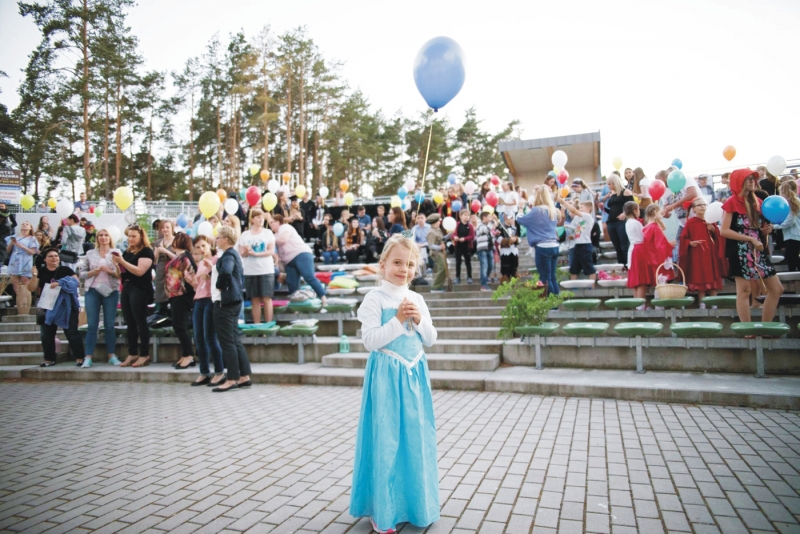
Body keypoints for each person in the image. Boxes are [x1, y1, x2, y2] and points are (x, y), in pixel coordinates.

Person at [350, 234, 439, 534]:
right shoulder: (375, 299)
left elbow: (430, 338)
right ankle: (383, 510)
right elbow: (370, 341)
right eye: (398, 262)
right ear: (383, 264)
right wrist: (398, 319)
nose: (404, 269)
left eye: (410, 264)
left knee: (416, 439)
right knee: (387, 440)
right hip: (387, 377)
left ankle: (416, 505)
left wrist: (418, 319)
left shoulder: (418, 299)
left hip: (414, 378)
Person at [720, 168, 783, 322]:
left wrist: (765, 231)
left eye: (753, 179)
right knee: (744, 291)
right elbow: (724, 231)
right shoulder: (731, 202)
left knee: (777, 289)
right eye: (747, 179)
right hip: (739, 251)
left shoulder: (758, 202)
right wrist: (750, 239)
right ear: (739, 182)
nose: (752, 181)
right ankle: (746, 329)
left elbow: (758, 230)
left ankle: (766, 326)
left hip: (757, 250)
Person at [29, 247, 86, 367]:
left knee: (71, 332)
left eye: (56, 256)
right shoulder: (41, 271)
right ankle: (49, 359)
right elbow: (31, 288)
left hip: (66, 306)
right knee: (46, 334)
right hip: (47, 305)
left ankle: (80, 357)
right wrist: (34, 275)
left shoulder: (66, 269)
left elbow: (76, 282)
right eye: (51, 256)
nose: (54, 258)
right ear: (44, 259)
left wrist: (61, 283)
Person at [211, 226, 251, 392]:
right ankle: (244, 376)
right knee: (234, 340)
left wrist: (219, 285)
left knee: (227, 342)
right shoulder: (234, 254)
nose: (216, 239)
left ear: (226, 239)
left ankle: (232, 378)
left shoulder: (228, 255)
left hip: (225, 303)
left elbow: (226, 271)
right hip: (233, 302)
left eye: (219, 237)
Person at [112, 225, 155, 367]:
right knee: (129, 322)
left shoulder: (147, 251)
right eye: (129, 236)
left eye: (134, 236)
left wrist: (123, 262)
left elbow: (140, 271)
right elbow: (120, 274)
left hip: (140, 288)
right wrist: (117, 265)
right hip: (127, 287)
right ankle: (132, 353)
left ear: (141, 236)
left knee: (140, 321)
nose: (130, 239)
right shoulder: (127, 251)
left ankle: (144, 354)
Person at [78, 229, 121, 367]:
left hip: (110, 291)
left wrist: (110, 271)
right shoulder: (90, 254)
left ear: (110, 237)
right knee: (92, 325)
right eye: (100, 235)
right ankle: (88, 357)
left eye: (106, 235)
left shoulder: (116, 253)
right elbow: (81, 274)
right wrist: (92, 272)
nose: (103, 238)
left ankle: (111, 355)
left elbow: (121, 273)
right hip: (93, 290)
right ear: (97, 238)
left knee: (109, 324)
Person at [186, 236, 225, 387]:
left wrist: (210, 272)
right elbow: (198, 286)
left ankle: (219, 371)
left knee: (210, 337)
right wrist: (191, 280)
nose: (201, 249)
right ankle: (204, 372)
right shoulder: (201, 262)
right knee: (198, 337)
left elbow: (221, 280)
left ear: (209, 245)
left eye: (203, 246)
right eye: (198, 247)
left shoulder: (216, 259)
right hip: (199, 299)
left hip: (210, 299)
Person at [627, 203, 675, 308]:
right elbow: (659, 245)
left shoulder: (647, 226)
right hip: (657, 257)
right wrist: (670, 245)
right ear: (654, 213)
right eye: (659, 211)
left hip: (649, 256)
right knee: (660, 282)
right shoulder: (653, 228)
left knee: (656, 281)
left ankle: (642, 307)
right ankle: (659, 306)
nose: (661, 213)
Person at [270, 214, 327, 302]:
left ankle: (323, 297)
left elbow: (283, 240)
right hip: (289, 261)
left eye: (272, 222)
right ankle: (295, 306)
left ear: (278, 222)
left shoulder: (285, 227)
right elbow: (276, 253)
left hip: (301, 254)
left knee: (308, 276)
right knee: (291, 283)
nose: (270, 225)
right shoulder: (275, 235)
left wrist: (270, 239)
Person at [518, 186, 563, 295]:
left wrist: (520, 208)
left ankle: (550, 305)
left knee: (545, 278)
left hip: (543, 247)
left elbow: (520, 219)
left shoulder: (536, 211)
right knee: (552, 277)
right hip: (554, 246)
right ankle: (555, 303)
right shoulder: (552, 210)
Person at [679, 198, 724, 308]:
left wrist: (713, 230)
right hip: (697, 255)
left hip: (710, 255)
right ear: (694, 209)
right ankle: (702, 303)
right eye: (699, 205)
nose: (703, 207)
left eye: (704, 205)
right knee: (700, 279)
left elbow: (719, 238)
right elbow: (683, 238)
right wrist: (690, 243)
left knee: (713, 279)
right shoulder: (690, 223)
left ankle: (714, 304)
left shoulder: (711, 221)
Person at [164, 232, 197, 370]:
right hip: (175, 295)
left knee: (180, 325)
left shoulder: (184, 257)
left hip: (182, 295)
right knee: (179, 325)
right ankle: (185, 354)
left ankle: (189, 355)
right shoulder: (179, 256)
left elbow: (190, 274)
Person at [239, 209, 275, 325]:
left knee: (267, 298)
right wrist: (246, 251)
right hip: (250, 270)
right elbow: (241, 253)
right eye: (258, 217)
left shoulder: (268, 233)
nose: (261, 219)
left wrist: (256, 254)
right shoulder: (245, 235)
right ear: (252, 219)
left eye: (262, 217)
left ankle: (268, 326)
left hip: (266, 269)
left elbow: (270, 251)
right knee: (254, 299)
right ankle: (257, 325)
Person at [662, 172, 699, 263]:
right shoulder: (664, 191)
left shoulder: (685, 179)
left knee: (694, 245)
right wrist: (665, 213)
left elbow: (693, 194)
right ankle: (682, 270)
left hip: (695, 220)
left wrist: (673, 206)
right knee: (680, 245)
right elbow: (667, 211)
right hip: (682, 223)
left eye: (660, 180)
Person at [7, 221, 38, 314]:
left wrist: (21, 246)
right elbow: (8, 250)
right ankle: (19, 300)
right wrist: (12, 243)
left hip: (25, 259)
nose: (24, 225)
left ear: (30, 228)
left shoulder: (32, 238)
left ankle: (26, 300)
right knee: (15, 281)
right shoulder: (15, 236)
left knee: (25, 280)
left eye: (27, 224)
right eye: (23, 224)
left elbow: (32, 252)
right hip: (15, 259)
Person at [604, 175, 634, 267]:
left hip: (621, 222)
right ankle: (622, 266)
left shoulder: (626, 192)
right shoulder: (612, 194)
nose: (608, 186)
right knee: (617, 247)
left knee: (624, 246)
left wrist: (625, 213)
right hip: (611, 221)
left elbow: (632, 205)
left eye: (610, 184)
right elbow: (612, 209)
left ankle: (628, 265)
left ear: (615, 183)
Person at [562, 200, 597, 281]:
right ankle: (573, 289)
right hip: (577, 245)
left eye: (582, 207)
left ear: (588, 208)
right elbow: (579, 231)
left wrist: (562, 201)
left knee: (589, 268)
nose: (580, 209)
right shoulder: (580, 220)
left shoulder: (588, 217)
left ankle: (591, 288)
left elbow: (574, 210)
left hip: (585, 245)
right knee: (574, 269)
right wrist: (572, 236)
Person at [773, 181, 800, 272]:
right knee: (793, 256)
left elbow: (790, 221)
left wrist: (774, 226)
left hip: (793, 234)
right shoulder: (796, 201)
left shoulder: (790, 203)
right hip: (796, 234)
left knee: (791, 256)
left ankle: (792, 276)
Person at [153, 220, 176, 314]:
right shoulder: (157, 242)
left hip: (173, 269)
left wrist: (166, 251)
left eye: (167, 227)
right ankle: (162, 311)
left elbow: (179, 257)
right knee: (160, 289)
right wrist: (157, 252)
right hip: (161, 269)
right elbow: (154, 260)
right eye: (163, 228)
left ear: (172, 229)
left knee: (172, 290)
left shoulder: (176, 241)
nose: (165, 229)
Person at [452, 209, 474, 284]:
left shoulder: (470, 226)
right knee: (458, 262)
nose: (467, 217)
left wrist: (465, 239)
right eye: (465, 215)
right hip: (458, 246)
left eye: (468, 215)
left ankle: (469, 277)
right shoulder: (457, 225)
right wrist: (455, 237)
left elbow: (472, 236)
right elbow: (453, 233)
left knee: (468, 262)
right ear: (460, 216)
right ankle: (457, 277)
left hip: (467, 246)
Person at [496, 213, 520, 282]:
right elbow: (498, 238)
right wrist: (507, 241)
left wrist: (516, 239)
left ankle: (514, 280)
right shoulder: (500, 227)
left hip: (514, 250)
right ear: (506, 218)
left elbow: (518, 237)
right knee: (505, 266)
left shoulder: (515, 227)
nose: (512, 220)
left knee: (514, 266)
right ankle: (505, 279)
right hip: (505, 250)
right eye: (511, 218)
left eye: (513, 218)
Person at [427, 214, 447, 293]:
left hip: (440, 253)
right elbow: (430, 245)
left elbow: (441, 239)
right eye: (439, 221)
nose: (440, 222)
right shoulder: (431, 232)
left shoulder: (438, 230)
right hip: (435, 253)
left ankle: (439, 286)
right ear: (435, 222)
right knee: (442, 268)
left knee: (444, 269)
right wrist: (439, 247)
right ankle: (435, 287)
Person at [475, 211, 493, 291]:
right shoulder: (479, 225)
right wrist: (492, 222)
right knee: (484, 265)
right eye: (489, 217)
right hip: (482, 248)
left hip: (489, 248)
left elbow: (490, 234)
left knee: (491, 265)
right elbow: (485, 230)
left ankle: (486, 277)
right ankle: (483, 284)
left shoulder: (488, 226)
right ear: (484, 217)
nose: (490, 219)